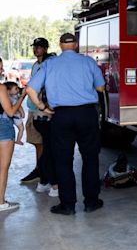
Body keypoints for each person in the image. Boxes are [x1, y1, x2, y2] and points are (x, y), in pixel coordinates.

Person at [27, 33, 105, 216]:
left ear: (61, 46)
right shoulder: (88, 62)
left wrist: (42, 107)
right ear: (76, 45)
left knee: (63, 161)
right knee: (91, 159)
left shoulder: (50, 64)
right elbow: (100, 88)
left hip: (61, 116)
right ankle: (92, 202)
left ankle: (68, 205)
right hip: (87, 114)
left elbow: (30, 89)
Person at [20, 37, 50, 184]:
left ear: (45, 49)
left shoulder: (49, 64)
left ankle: (43, 171)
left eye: (39, 47)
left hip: (42, 110)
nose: (35, 49)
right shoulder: (35, 65)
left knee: (43, 142)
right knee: (36, 142)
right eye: (35, 47)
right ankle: (39, 168)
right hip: (32, 108)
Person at [0, 57, 26, 212]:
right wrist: (21, 97)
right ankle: (1, 202)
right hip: (3, 125)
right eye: (0, 67)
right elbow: (10, 111)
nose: (2, 70)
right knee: (3, 167)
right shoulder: (1, 88)